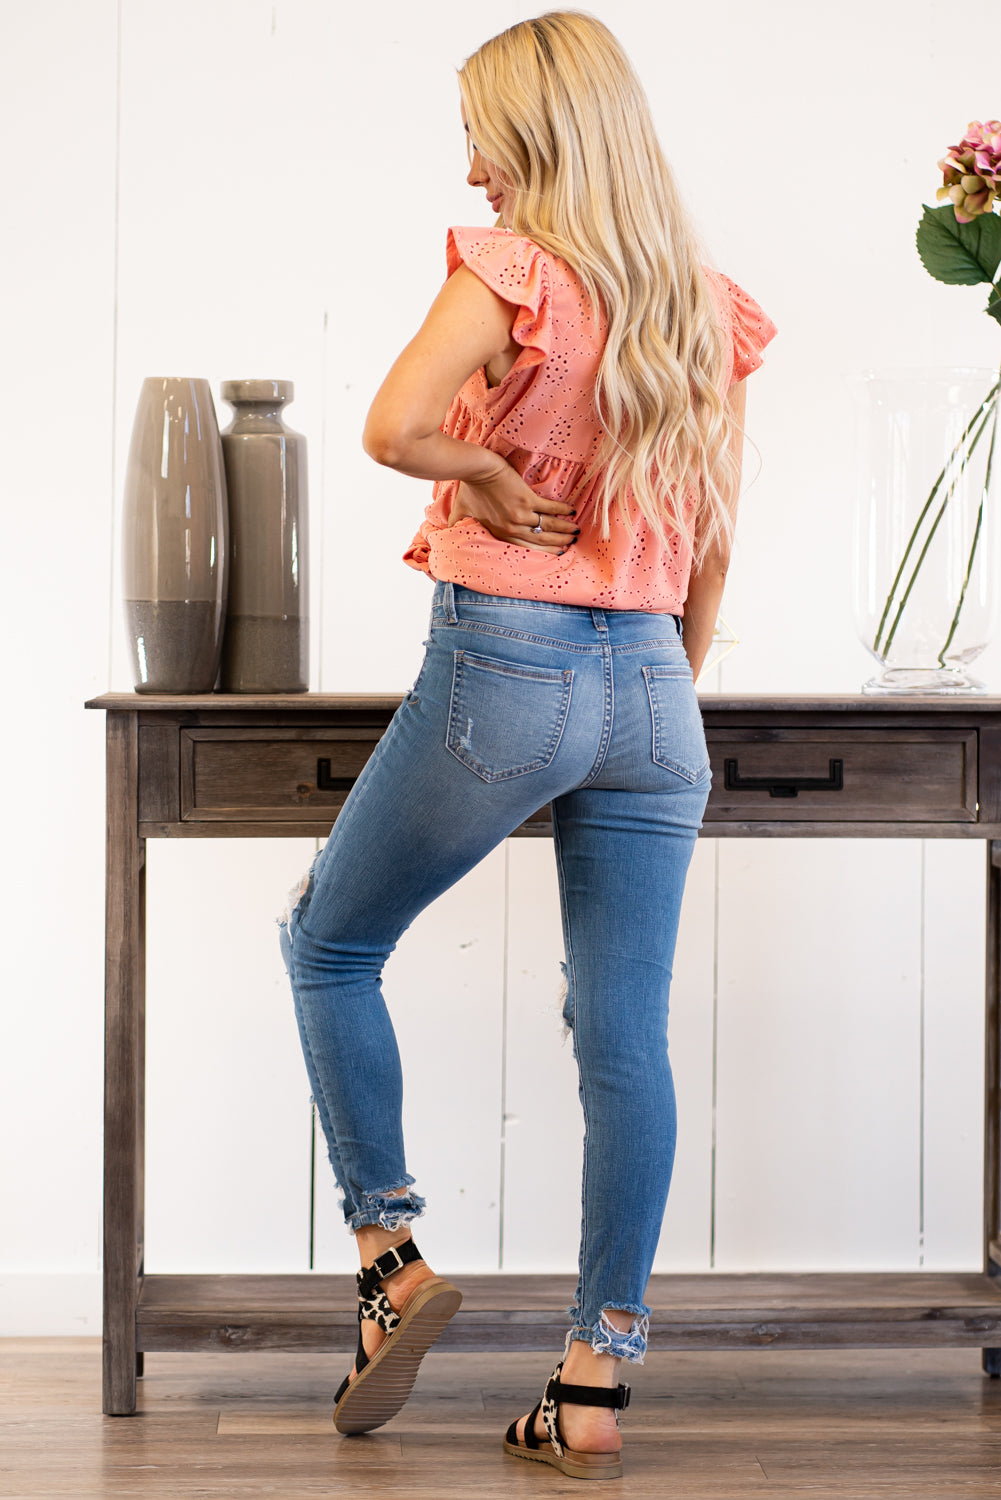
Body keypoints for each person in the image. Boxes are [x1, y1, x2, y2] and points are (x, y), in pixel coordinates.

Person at [279, 10, 776, 1481]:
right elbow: (711, 541)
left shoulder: (516, 275)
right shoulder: (703, 306)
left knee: (327, 942)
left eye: (482, 134)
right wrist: (649, 699)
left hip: (508, 665)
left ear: (542, 135)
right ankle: (593, 1382)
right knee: (623, 1038)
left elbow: (390, 427)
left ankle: (388, 1260)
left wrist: (486, 474)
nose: (472, 167)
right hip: (656, 691)